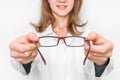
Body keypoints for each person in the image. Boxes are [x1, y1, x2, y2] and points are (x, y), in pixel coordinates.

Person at [9, 0, 114, 80]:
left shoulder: (89, 34)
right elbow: (23, 69)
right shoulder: (32, 34)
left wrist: (101, 62)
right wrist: (24, 59)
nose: (62, 0)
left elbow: (98, 73)